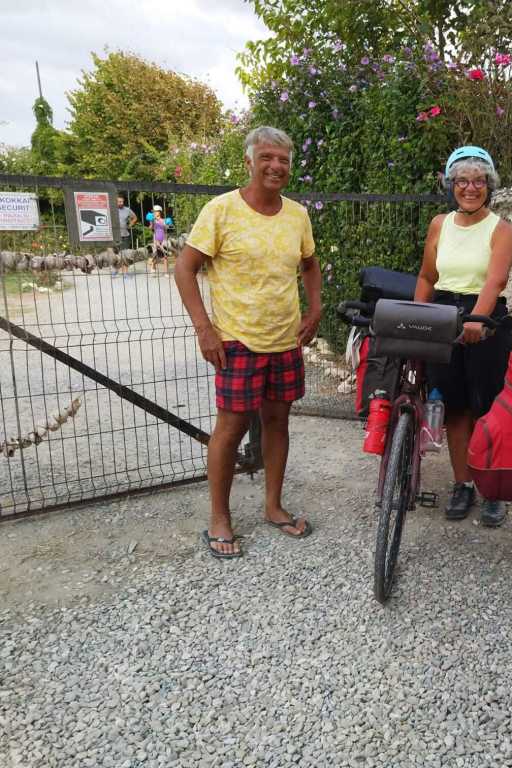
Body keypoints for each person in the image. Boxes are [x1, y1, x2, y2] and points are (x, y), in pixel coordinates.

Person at [174, 125, 322, 559]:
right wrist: (204, 328)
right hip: (237, 340)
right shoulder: (221, 211)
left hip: (285, 340)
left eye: (283, 160)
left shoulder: (297, 215)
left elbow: (310, 264)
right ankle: (219, 518)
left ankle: (273, 506)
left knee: (278, 422)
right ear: (249, 161)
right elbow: (185, 268)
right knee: (231, 428)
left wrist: (315, 309)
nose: (276, 166)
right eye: (267, 157)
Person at [414, 146, 512, 526]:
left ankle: (493, 490)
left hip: (484, 318)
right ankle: (463, 484)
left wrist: (477, 318)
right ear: (451, 185)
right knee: (455, 408)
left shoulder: (501, 228)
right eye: (462, 181)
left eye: (478, 181)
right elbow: (427, 277)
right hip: (443, 314)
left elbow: (496, 280)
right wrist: (417, 319)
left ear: (489, 185)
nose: (470, 188)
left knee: (487, 410)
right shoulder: (440, 224)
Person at [115, 194, 137, 278]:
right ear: (116, 202)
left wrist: (130, 225)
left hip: (125, 235)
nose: (121, 203)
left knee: (125, 254)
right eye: (119, 202)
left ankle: (125, 273)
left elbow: (134, 218)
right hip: (115, 235)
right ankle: (116, 270)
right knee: (117, 254)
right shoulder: (112, 209)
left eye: (122, 201)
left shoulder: (127, 210)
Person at [148, 205, 169, 275]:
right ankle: (153, 267)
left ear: (159, 212)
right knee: (155, 255)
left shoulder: (164, 220)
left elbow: (166, 228)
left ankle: (166, 272)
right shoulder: (153, 220)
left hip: (163, 239)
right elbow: (151, 228)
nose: (154, 213)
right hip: (156, 239)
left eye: (155, 211)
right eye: (153, 212)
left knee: (165, 256)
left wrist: (165, 224)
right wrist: (152, 221)